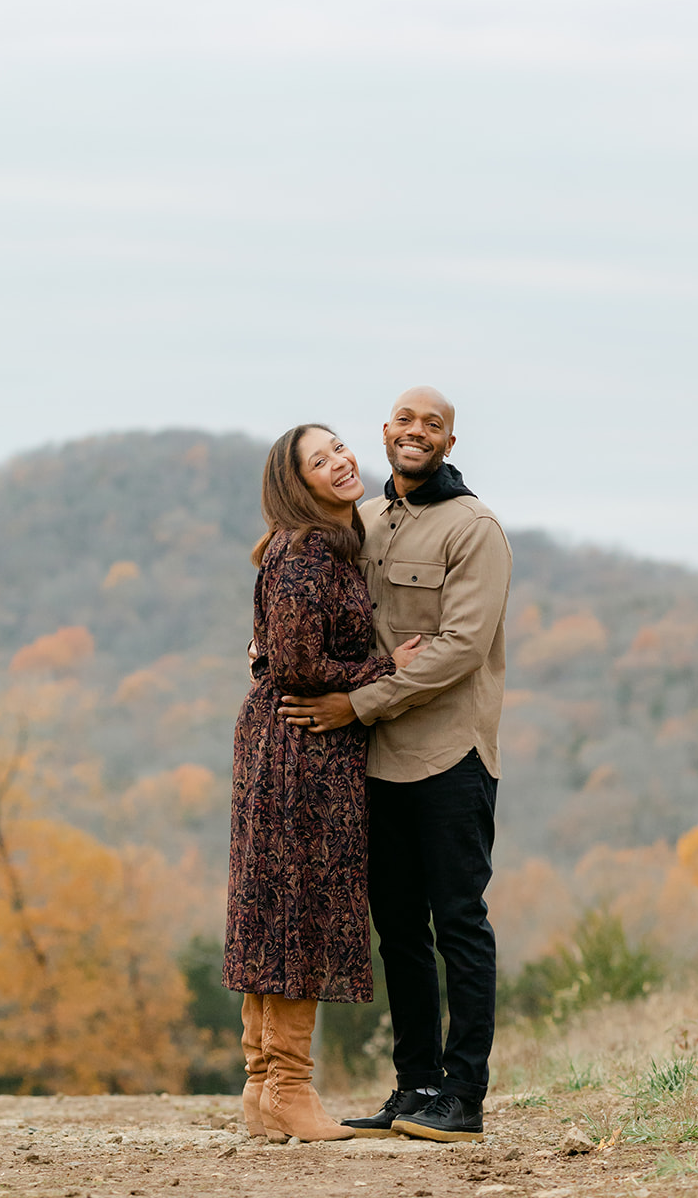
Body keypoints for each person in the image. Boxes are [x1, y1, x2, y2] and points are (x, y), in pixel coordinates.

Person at [277, 387, 511, 1144]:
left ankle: (463, 1095)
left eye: (431, 425)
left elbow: (459, 647)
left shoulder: (473, 528)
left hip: (448, 755)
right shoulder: (364, 521)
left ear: (448, 440)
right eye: (404, 421)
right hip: (371, 766)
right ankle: (413, 1088)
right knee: (399, 932)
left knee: (459, 925)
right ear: (384, 433)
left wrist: (359, 703)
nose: (416, 433)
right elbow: (328, 617)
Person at [222, 423, 424, 1143]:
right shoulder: (307, 552)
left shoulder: (314, 546)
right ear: (297, 483)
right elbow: (300, 665)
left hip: (289, 743)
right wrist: (385, 668)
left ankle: (260, 1093)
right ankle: (287, 1090)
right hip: (302, 746)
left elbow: (272, 653)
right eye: (319, 459)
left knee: (272, 909)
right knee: (296, 914)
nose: (339, 461)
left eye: (338, 447)